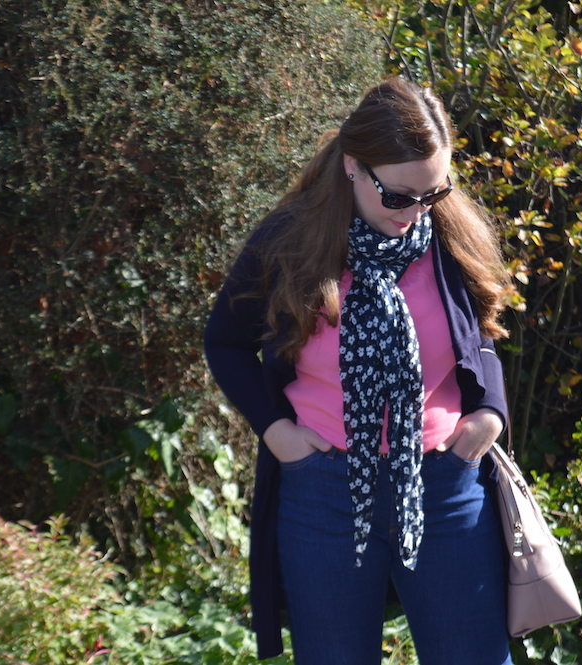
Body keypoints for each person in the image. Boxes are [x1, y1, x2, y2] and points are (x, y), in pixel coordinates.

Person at [204, 77, 512, 665]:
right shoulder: (290, 241)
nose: (417, 210)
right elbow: (225, 342)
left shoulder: (447, 238)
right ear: (353, 166)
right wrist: (278, 434)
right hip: (326, 493)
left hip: (444, 484)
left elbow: (483, 338)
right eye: (399, 195)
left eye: (434, 192)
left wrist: (489, 415)